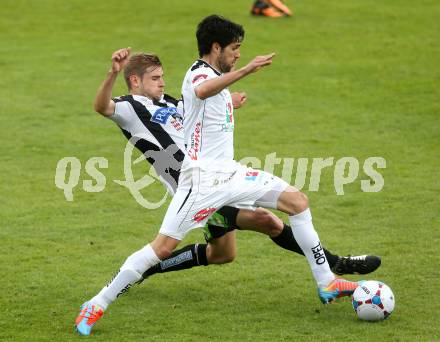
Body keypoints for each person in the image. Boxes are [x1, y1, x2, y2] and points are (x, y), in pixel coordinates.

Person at [74, 20, 379, 333]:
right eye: (155, 78)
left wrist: (227, 103)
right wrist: (112, 73)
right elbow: (102, 106)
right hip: (197, 184)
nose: (162, 83)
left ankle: (327, 279)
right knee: (167, 246)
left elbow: (195, 110)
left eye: (163, 76)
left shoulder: (167, 102)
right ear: (135, 81)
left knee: (283, 211)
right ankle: (97, 304)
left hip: (228, 174)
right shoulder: (130, 106)